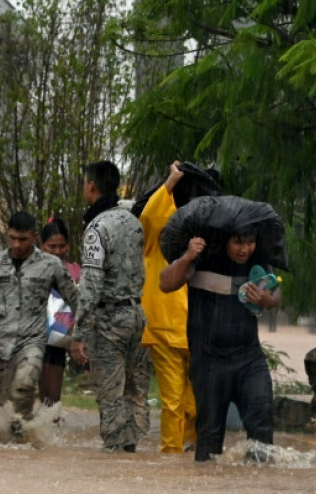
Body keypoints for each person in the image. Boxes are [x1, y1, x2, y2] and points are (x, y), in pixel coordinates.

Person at [160, 230, 280, 462]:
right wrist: (187, 256)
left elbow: (275, 293)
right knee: (209, 437)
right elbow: (165, 283)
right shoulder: (202, 258)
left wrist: (268, 300)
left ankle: (262, 483)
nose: (245, 249)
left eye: (250, 242)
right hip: (209, 362)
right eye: (238, 243)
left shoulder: (258, 261)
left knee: (262, 419)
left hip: (249, 358)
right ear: (225, 240)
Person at [0, 212, 78, 439]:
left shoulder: (50, 264)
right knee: (1, 411)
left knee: (24, 387)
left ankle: (23, 436)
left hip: (32, 342)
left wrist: (80, 333)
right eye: (12, 238)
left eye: (22, 239)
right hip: (1, 345)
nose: (16, 245)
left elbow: (76, 299)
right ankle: (17, 443)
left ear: (34, 236)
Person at [70, 161, 149, 453]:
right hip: (138, 315)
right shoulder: (132, 221)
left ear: (91, 186)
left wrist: (79, 334)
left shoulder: (97, 228)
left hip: (109, 320)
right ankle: (134, 453)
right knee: (136, 392)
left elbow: (90, 285)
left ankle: (117, 456)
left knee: (111, 395)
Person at [139, 162, 197, 453]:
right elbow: (150, 216)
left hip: (196, 331)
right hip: (164, 330)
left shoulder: (201, 237)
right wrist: (171, 181)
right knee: (173, 401)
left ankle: (191, 453)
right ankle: (171, 456)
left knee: (195, 403)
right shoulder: (157, 238)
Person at [38, 217, 82, 407]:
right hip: (34, 338)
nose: (57, 251)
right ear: (41, 246)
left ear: (68, 246)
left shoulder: (75, 271)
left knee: (53, 396)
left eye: (61, 246)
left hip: (59, 339)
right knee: (38, 395)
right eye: (51, 246)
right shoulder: (33, 269)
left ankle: (50, 431)